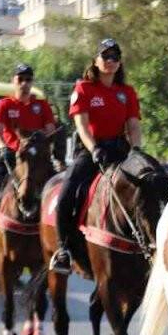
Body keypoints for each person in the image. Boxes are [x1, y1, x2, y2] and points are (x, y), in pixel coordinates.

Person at [50, 39, 143, 274]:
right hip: (91, 151)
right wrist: (94, 149)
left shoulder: (127, 92)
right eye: (105, 56)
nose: (110, 61)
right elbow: (81, 125)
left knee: (149, 188)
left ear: (120, 62)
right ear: (96, 60)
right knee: (67, 194)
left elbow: (133, 125)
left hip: (120, 151)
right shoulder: (83, 88)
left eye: (115, 57)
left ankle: (146, 246)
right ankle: (63, 250)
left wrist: (137, 150)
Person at [0, 64, 56, 258]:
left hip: (36, 160)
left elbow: (50, 130)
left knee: (60, 193)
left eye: (28, 79)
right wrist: (3, 148)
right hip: (10, 158)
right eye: (20, 79)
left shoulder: (41, 106)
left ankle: (63, 244)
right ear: (13, 81)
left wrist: (44, 141)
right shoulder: (5, 105)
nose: (24, 83)